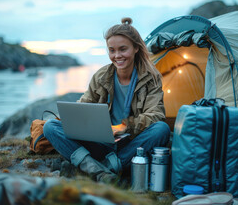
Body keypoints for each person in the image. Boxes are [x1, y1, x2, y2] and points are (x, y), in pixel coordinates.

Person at [43, 17, 170, 183]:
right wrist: (76, 121)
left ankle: (100, 169)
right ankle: (98, 170)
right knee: (50, 126)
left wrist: (123, 127)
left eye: (123, 49)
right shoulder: (102, 76)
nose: (117, 55)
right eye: (112, 50)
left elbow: (156, 115)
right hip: (102, 141)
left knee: (162, 129)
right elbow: (84, 106)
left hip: (131, 143)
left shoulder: (150, 78)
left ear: (136, 48)